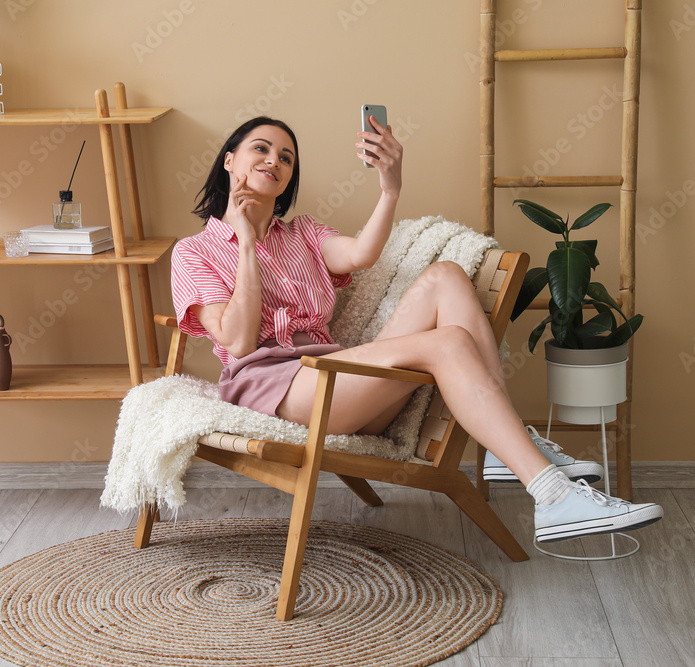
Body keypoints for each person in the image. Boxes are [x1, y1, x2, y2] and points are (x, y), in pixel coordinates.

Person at [170, 116, 662, 543]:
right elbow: (236, 339)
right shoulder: (194, 252)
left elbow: (362, 254)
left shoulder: (303, 234)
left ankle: (501, 447)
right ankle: (552, 494)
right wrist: (246, 244)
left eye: (287, 158)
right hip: (276, 388)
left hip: (339, 382)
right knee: (447, 341)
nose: (275, 161)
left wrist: (390, 187)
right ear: (230, 160)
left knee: (446, 275)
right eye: (261, 149)